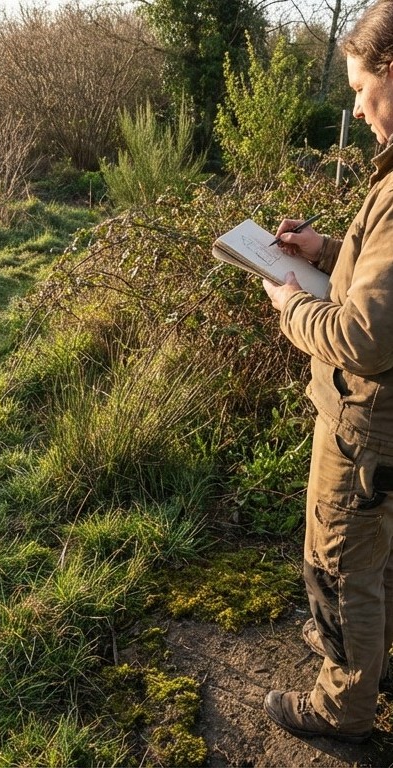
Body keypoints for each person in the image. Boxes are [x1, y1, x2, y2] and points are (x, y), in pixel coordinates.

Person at [262, 0, 393, 744]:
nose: (356, 104)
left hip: (366, 424)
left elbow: (363, 336)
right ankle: (374, 664)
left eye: (358, 89)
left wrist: (288, 302)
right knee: (379, 554)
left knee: (338, 563)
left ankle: (341, 706)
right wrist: (326, 251)